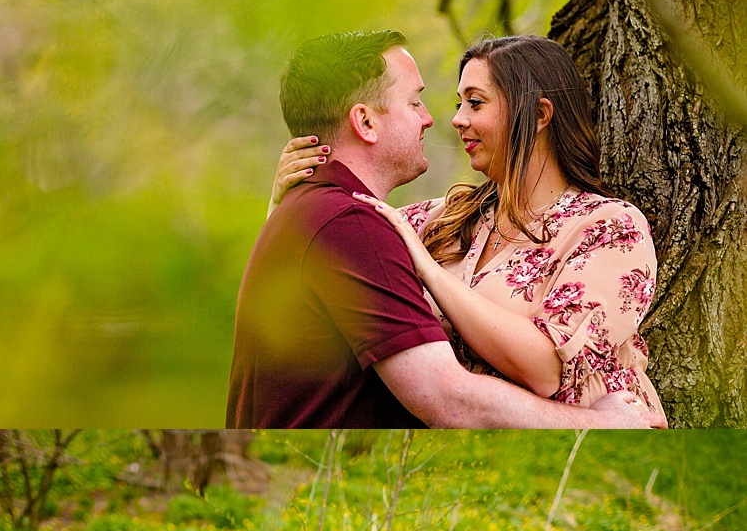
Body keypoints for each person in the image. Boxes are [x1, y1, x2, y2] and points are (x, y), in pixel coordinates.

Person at [225, 30, 663, 429]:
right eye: (456, 103)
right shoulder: (433, 221)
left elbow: (550, 369)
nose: (451, 119)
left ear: (539, 113)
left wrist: (431, 273)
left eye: (475, 102)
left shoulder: (609, 228)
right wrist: (286, 208)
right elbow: (320, 269)